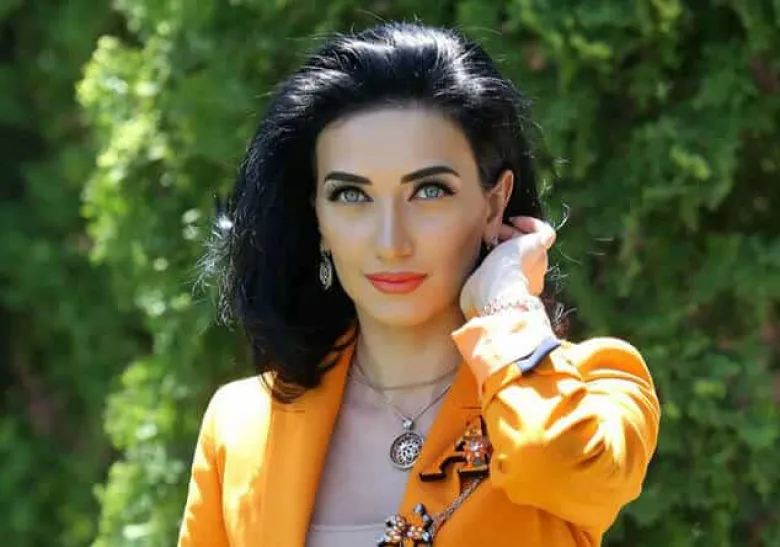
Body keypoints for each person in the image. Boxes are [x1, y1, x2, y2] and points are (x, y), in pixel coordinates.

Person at [177, 22, 660, 547]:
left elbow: (557, 462)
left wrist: (506, 303)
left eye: (429, 191)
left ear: (493, 203)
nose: (391, 242)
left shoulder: (594, 390)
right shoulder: (240, 423)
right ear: (317, 217)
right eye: (351, 195)